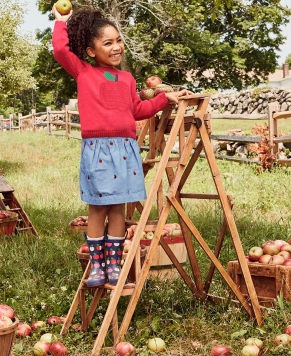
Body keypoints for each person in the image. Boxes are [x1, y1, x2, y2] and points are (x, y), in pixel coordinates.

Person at [52, 4, 192, 287]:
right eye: (108, 43)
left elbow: (138, 110)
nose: (116, 47)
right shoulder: (84, 72)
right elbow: (60, 51)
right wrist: (61, 22)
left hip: (125, 149)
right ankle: (97, 266)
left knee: (117, 209)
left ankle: (114, 266)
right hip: (98, 150)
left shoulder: (127, 79)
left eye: (118, 41)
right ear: (91, 51)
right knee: (97, 208)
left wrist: (167, 98)